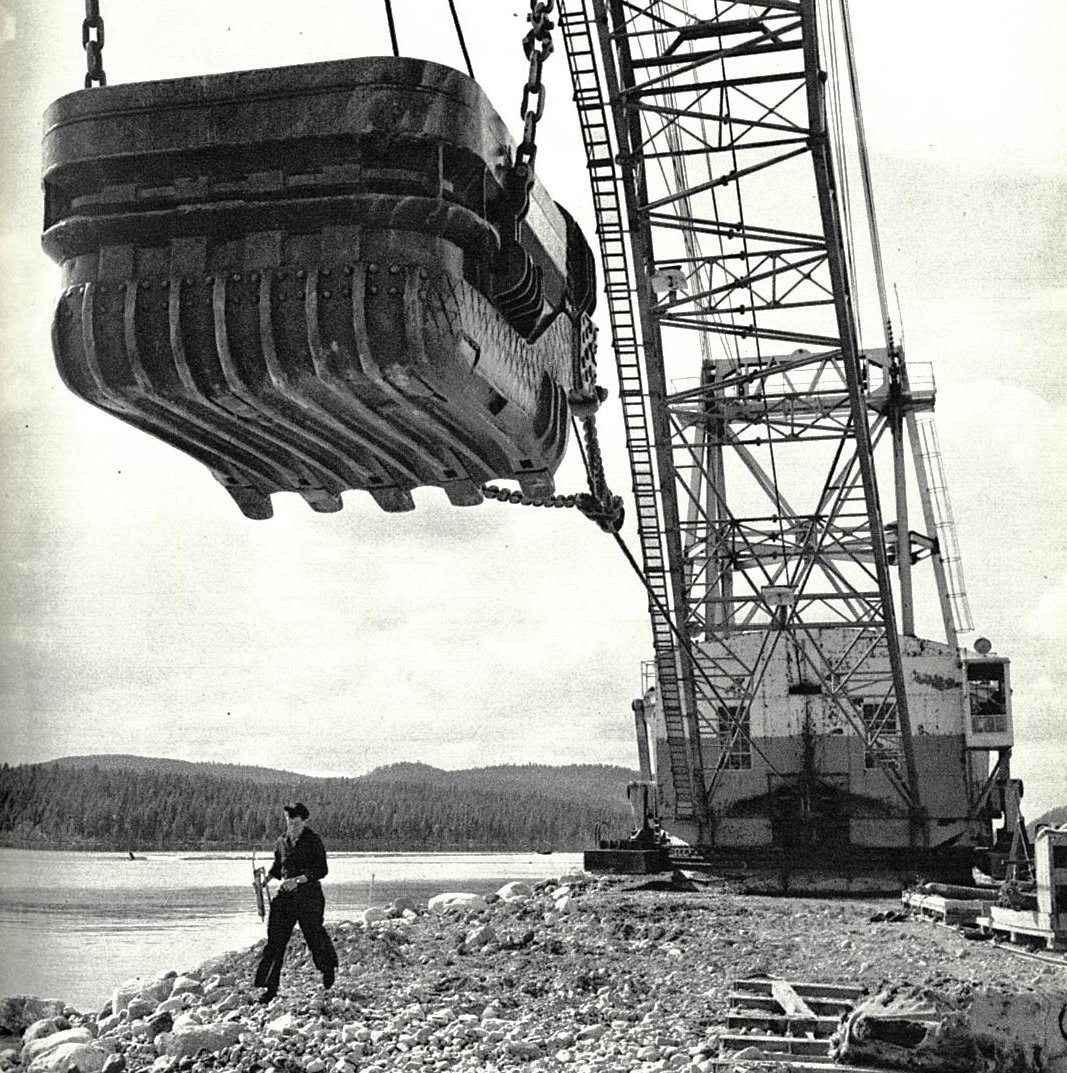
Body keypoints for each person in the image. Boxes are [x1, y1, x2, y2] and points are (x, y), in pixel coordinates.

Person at [253, 802, 338, 1003]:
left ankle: (328, 970)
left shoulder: (313, 840)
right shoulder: (282, 841)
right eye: (289, 822)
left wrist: (298, 880)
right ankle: (269, 988)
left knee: (314, 935)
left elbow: (322, 870)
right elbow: (277, 866)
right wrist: (264, 882)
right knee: (275, 941)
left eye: (296, 822)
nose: (292, 826)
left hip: (309, 896)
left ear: (303, 821)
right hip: (286, 898)